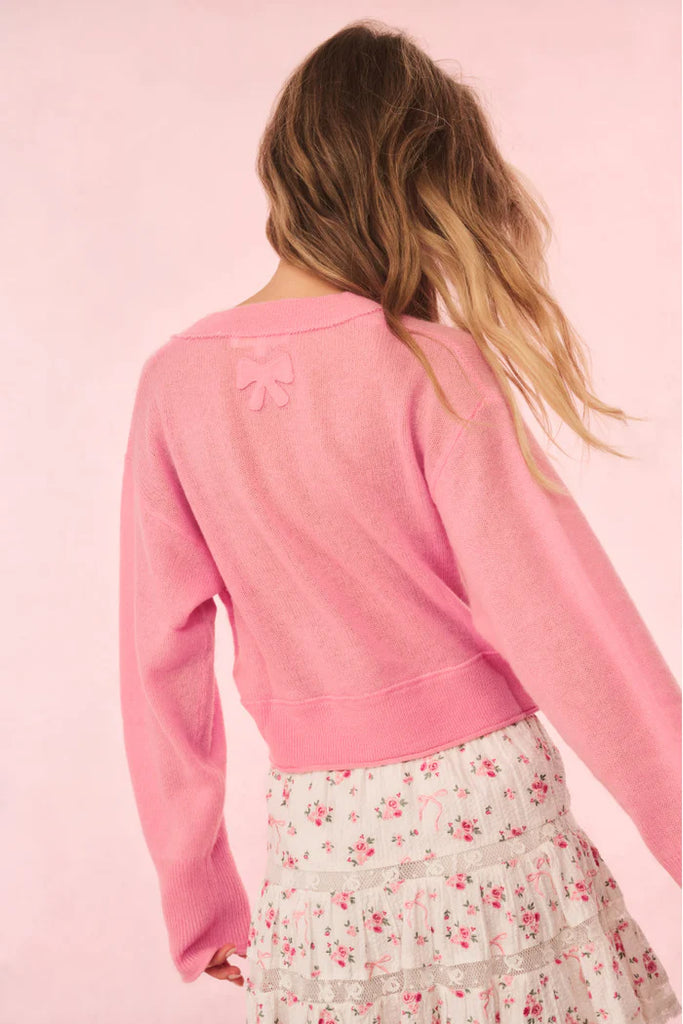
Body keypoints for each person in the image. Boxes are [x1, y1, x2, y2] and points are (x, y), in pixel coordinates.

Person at [118, 18, 682, 1023]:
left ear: (287, 169)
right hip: (485, 815)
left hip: (323, 837)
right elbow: (568, 628)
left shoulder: (173, 386)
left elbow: (156, 660)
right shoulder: (430, 364)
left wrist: (196, 896)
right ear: (417, 185)